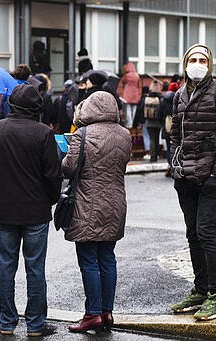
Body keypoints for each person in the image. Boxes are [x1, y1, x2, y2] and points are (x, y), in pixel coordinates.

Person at [0, 83, 61, 337]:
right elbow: (52, 175)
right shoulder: (43, 133)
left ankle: (7, 322)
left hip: (4, 210)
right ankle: (35, 325)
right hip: (35, 211)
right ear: (37, 106)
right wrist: (50, 200)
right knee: (35, 269)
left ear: (11, 104)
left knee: (6, 266)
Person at [169, 44, 216, 320]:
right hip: (186, 176)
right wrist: (175, 165)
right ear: (185, 62)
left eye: (202, 59)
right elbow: (175, 134)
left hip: (213, 177)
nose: (197, 63)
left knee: (206, 232)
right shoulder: (179, 95)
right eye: (192, 59)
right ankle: (200, 290)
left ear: (210, 64)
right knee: (192, 234)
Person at [62, 91, 131, 333]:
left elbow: (69, 169)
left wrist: (66, 151)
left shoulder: (83, 134)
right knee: (107, 258)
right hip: (115, 205)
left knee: (89, 259)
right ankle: (107, 312)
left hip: (87, 204)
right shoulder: (124, 135)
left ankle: (92, 314)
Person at [160, 82, 179, 176]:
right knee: (177, 147)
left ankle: (170, 166)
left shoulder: (163, 100)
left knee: (168, 148)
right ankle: (176, 166)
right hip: (177, 127)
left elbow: (159, 113)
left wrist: (163, 123)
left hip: (167, 126)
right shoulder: (179, 99)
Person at [143, 81, 163, 162]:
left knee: (151, 138)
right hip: (158, 122)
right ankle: (156, 156)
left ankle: (152, 156)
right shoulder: (160, 98)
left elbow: (141, 109)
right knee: (157, 138)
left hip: (148, 121)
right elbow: (162, 111)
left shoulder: (147, 98)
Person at [119, 62, 141, 129]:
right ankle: (135, 123)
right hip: (135, 93)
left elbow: (122, 81)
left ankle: (129, 123)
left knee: (128, 109)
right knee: (134, 109)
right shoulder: (137, 75)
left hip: (127, 93)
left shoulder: (127, 75)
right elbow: (138, 84)